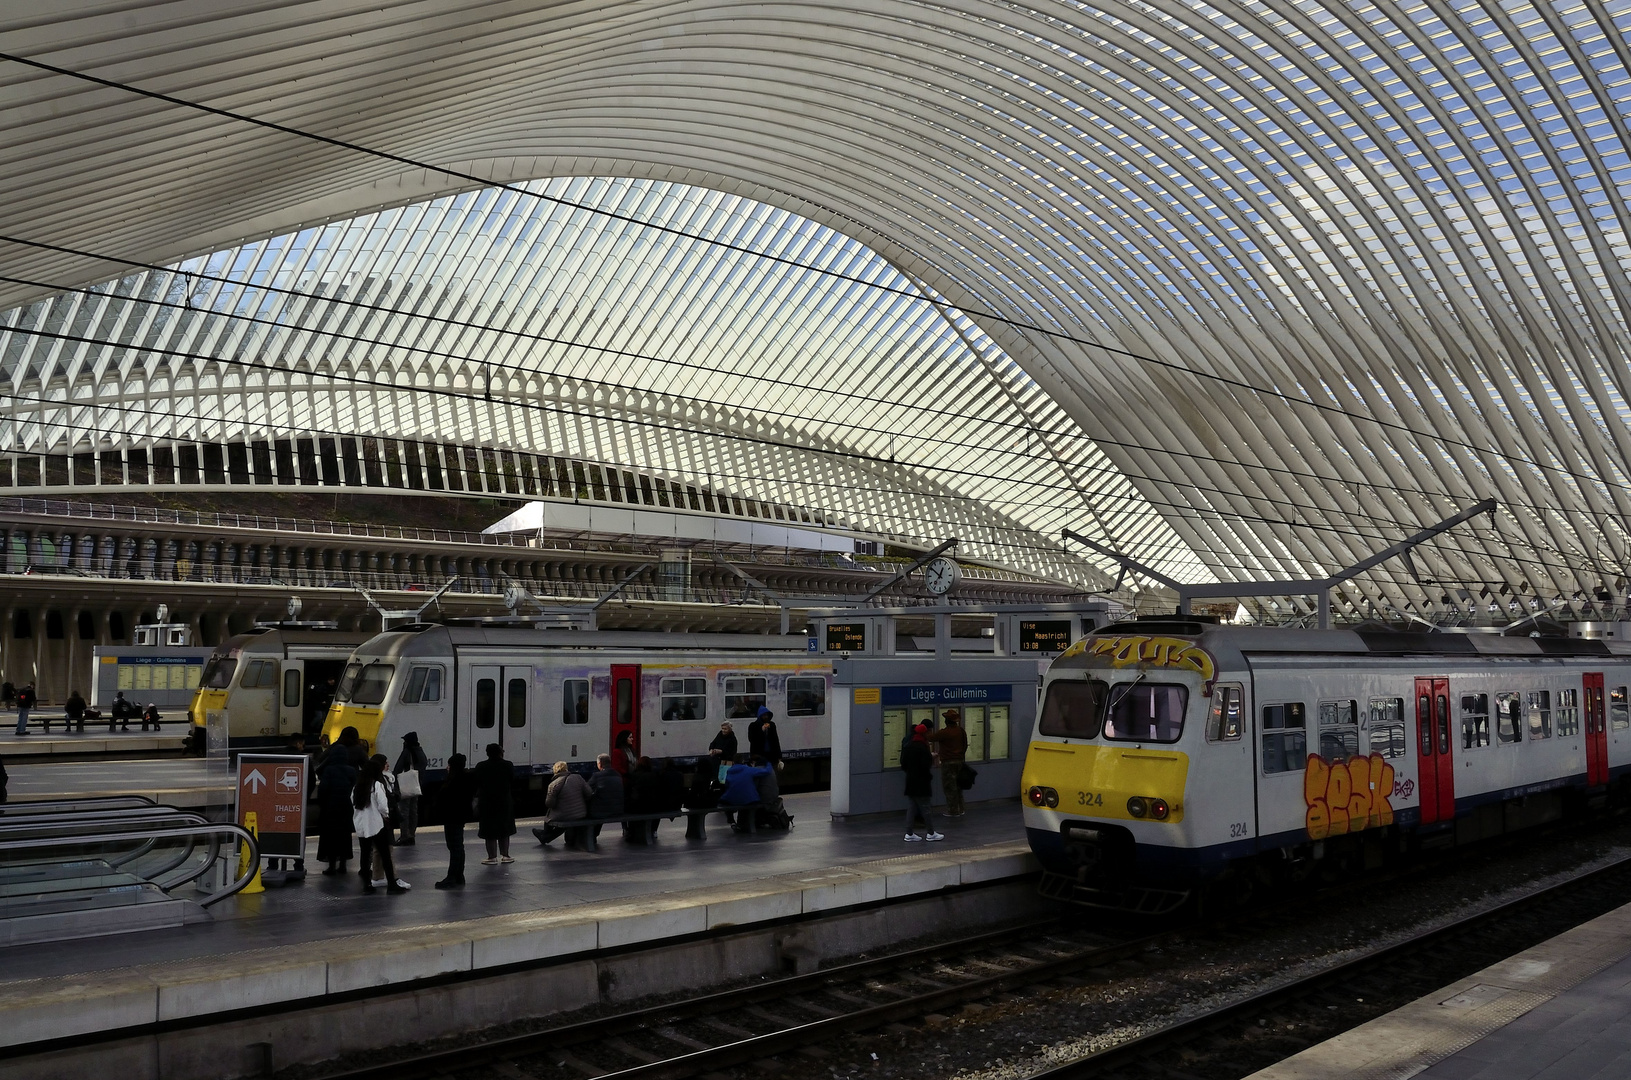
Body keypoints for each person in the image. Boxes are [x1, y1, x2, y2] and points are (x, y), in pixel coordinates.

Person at [353, 754, 410, 894]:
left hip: (361, 826)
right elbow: (383, 806)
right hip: (377, 825)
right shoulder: (376, 785)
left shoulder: (357, 787)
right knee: (385, 855)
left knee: (365, 856)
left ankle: (367, 885)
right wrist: (386, 816)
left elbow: (353, 803)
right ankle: (392, 884)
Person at [316, 741, 358, 875]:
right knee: (345, 836)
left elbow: (322, 790)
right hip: (346, 808)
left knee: (330, 837)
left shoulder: (329, 770)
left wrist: (322, 803)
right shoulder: (351, 770)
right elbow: (354, 788)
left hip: (330, 809)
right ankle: (343, 865)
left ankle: (332, 866)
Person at [435, 753, 476, 888]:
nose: (447, 767)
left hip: (453, 816)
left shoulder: (455, 780)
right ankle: (459, 875)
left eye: (449, 765)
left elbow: (446, 797)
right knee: (458, 845)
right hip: (459, 816)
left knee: (454, 846)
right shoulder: (467, 778)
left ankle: (452, 876)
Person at [473, 742, 516, 864]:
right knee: (505, 829)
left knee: (489, 831)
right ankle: (506, 855)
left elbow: (476, 782)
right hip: (504, 801)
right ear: (500, 752)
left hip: (487, 802)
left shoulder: (481, 766)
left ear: (488, 753)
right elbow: (512, 779)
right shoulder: (508, 765)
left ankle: (491, 857)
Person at [534, 760, 591, 848]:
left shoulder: (553, 785)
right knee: (565, 817)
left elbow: (549, 804)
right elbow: (589, 793)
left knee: (549, 815)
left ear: (555, 771)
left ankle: (545, 835)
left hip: (565, 815)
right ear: (566, 769)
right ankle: (545, 836)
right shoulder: (578, 777)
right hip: (581, 813)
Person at [901, 724, 943, 842]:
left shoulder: (909, 745)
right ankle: (931, 833)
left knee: (911, 808)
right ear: (924, 733)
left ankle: (909, 833)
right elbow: (925, 765)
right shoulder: (923, 746)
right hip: (921, 782)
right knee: (926, 808)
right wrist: (932, 757)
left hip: (910, 781)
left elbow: (904, 764)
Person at [931, 709, 969, 817]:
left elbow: (931, 738)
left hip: (948, 763)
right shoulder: (961, 731)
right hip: (960, 761)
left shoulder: (945, 732)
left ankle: (952, 810)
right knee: (958, 787)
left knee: (949, 787)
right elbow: (965, 745)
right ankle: (961, 808)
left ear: (947, 721)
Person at [393, 731, 428, 845]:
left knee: (404, 811)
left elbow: (398, 768)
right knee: (414, 810)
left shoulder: (407, 752)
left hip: (406, 785)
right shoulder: (421, 752)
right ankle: (412, 834)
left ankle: (404, 836)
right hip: (416, 785)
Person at [719, 757, 771, 831]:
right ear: (743, 761)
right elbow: (766, 771)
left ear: (733, 762)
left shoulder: (729, 771)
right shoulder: (748, 769)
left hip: (732, 800)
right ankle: (756, 823)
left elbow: (727, 785)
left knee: (724, 802)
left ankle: (731, 820)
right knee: (752, 802)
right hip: (749, 799)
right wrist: (769, 763)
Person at [587, 753, 625, 840]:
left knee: (595, 808)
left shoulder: (597, 776)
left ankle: (590, 836)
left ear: (600, 764)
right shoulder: (618, 775)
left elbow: (586, 789)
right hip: (617, 810)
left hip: (602, 811)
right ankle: (593, 835)